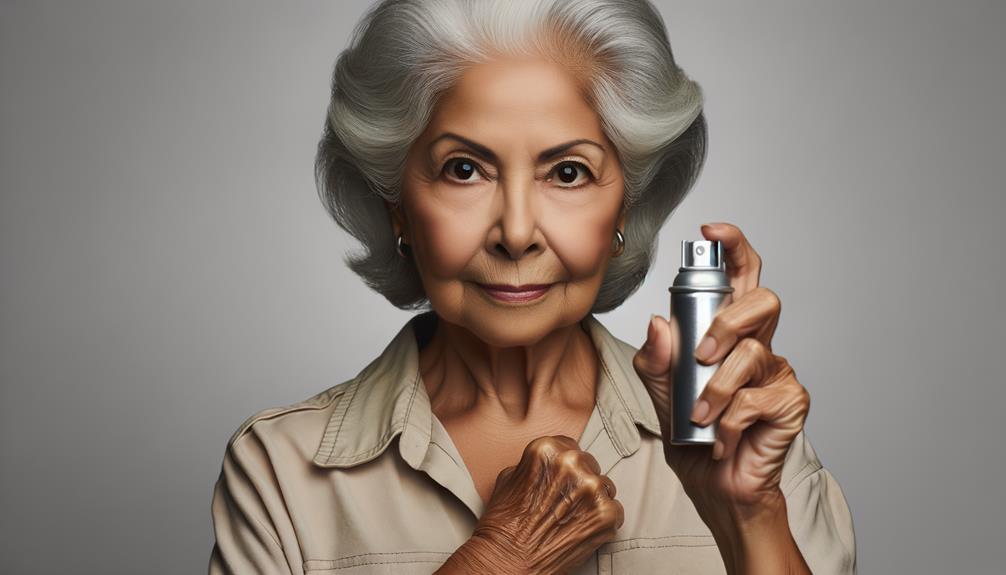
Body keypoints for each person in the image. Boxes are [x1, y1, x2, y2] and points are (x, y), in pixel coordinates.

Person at [207, 0, 857, 573]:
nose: (516, 232)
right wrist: (501, 557)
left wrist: (749, 517)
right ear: (397, 204)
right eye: (464, 169)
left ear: (624, 207)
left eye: (568, 172)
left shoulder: (744, 442)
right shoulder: (282, 470)